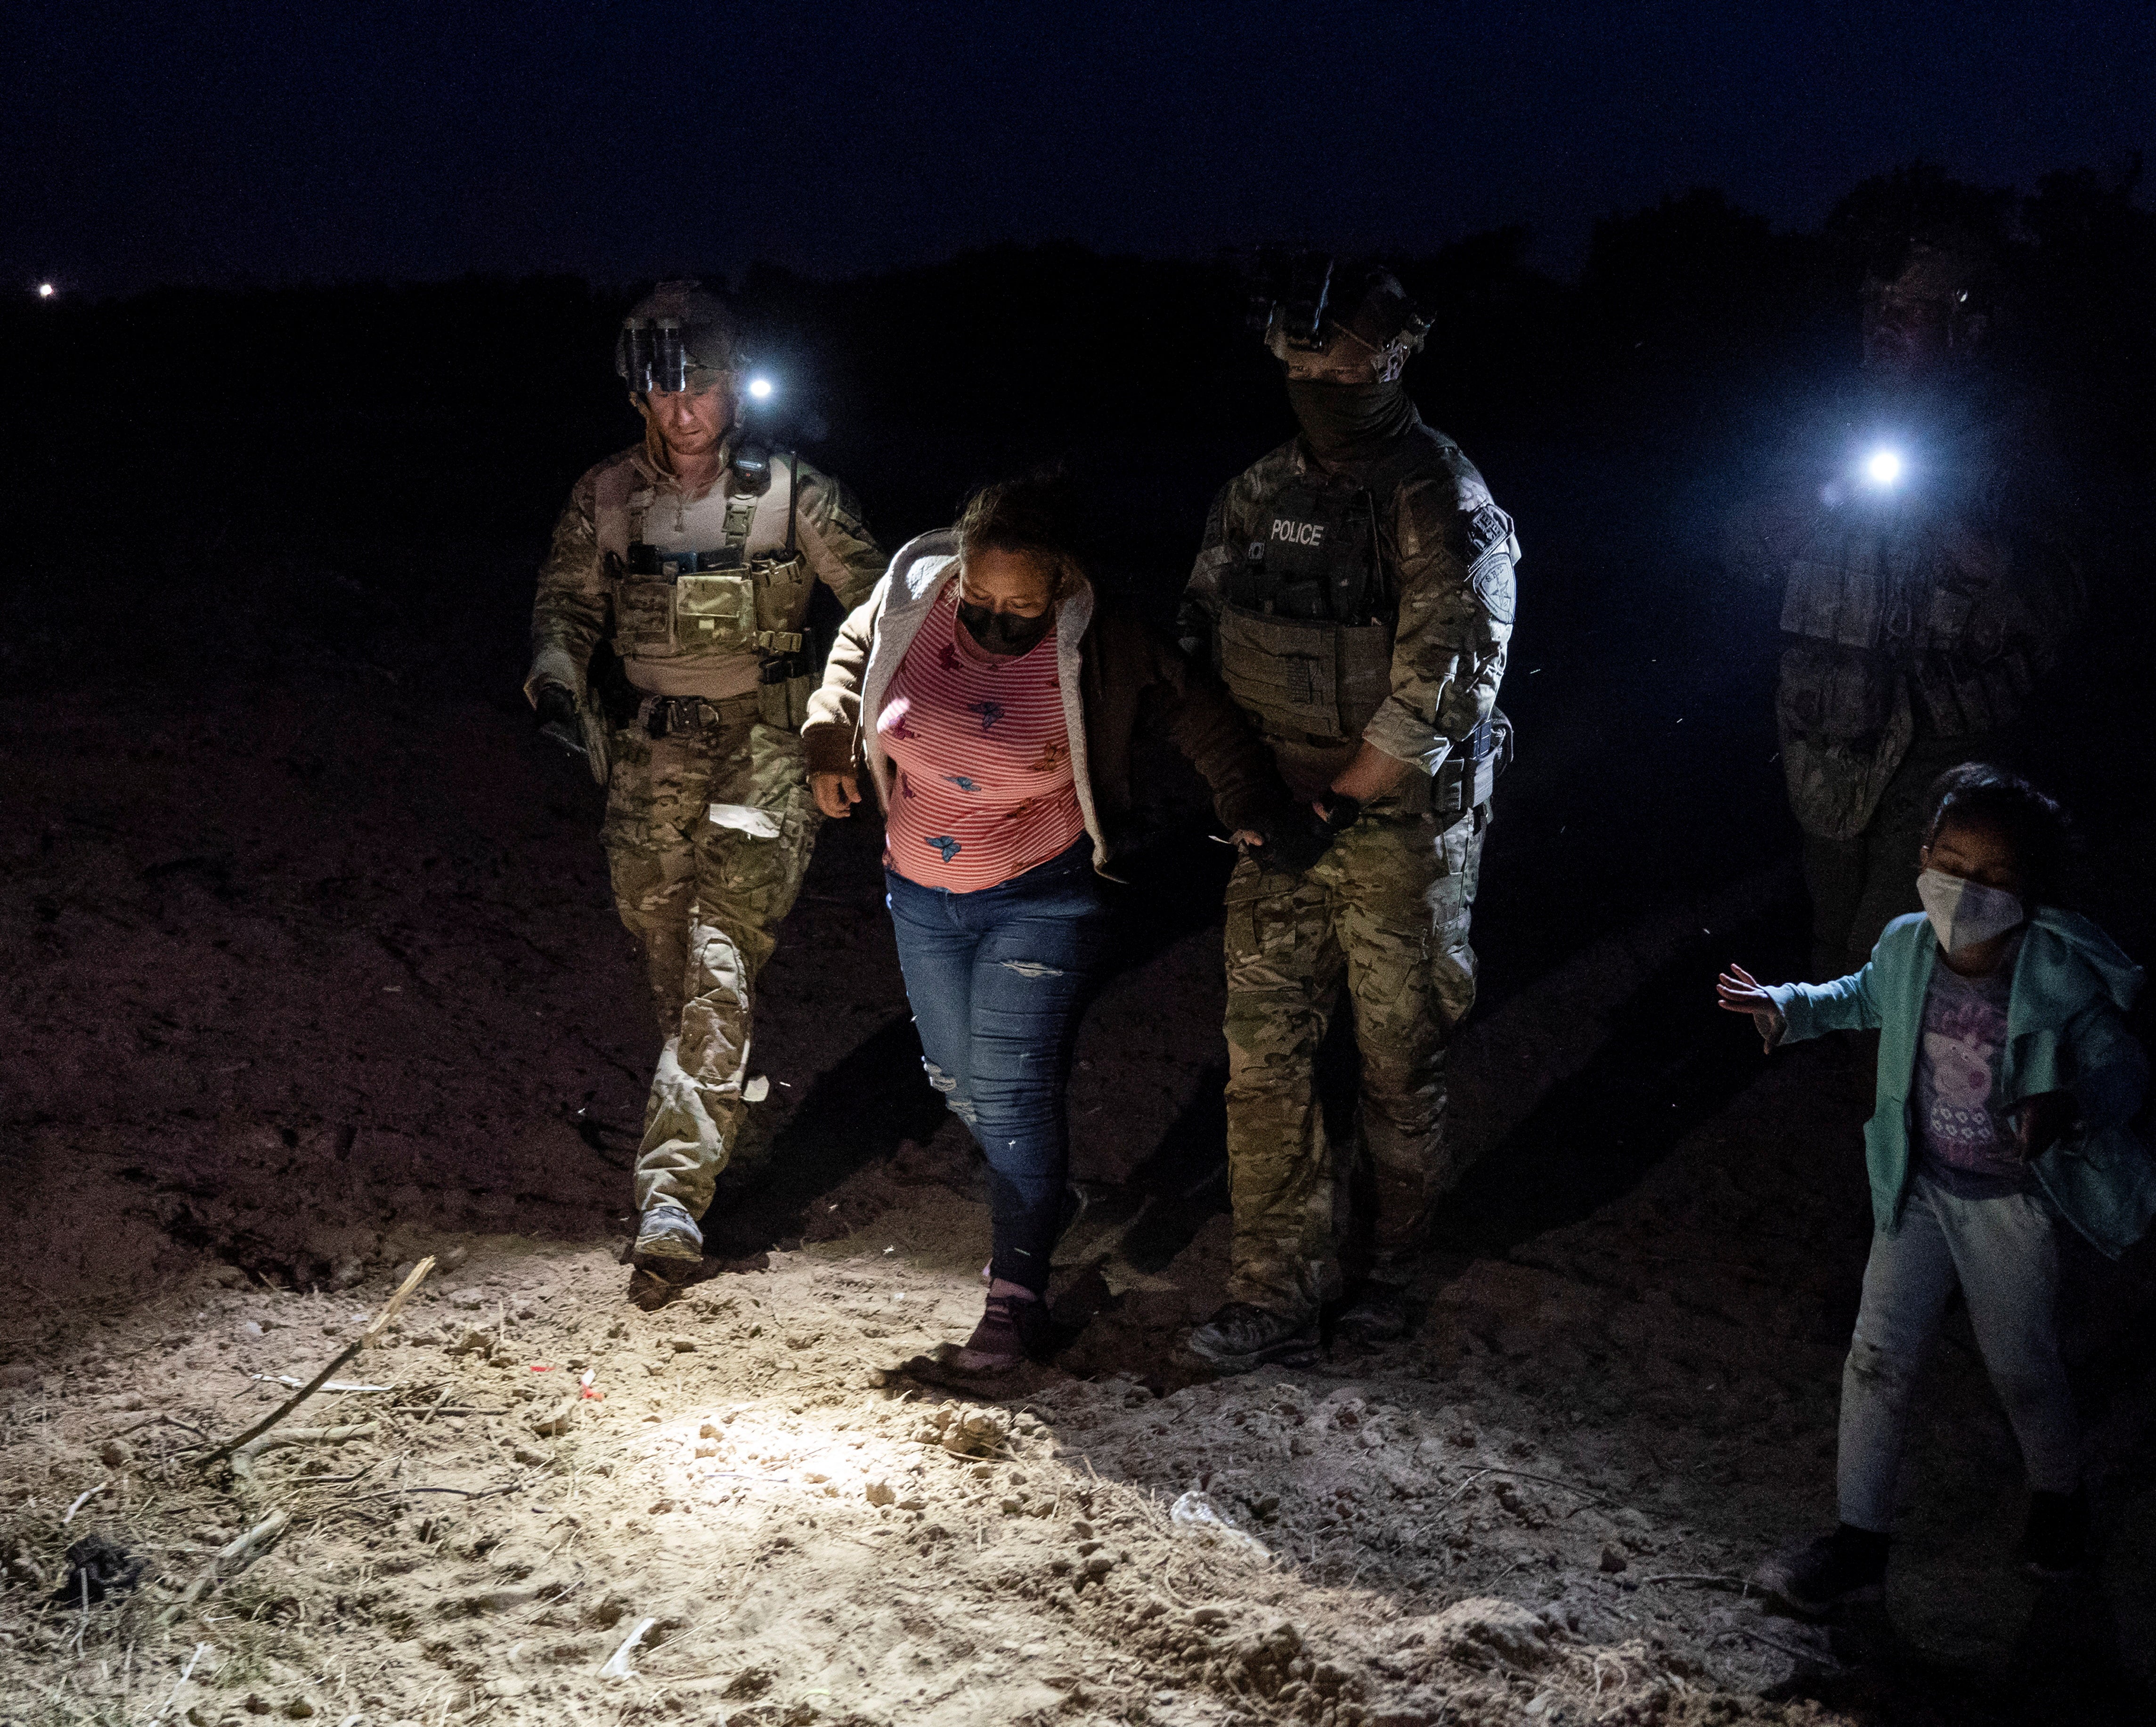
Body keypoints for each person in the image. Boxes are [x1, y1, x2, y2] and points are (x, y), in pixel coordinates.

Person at [803, 475, 1282, 1373]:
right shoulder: (916, 588)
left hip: (1042, 892)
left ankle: (1015, 1301)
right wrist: (828, 734)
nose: (990, 618)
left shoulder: (1103, 636)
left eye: (1017, 606)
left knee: (1015, 1093)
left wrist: (1249, 795)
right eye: (977, 598)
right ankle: (1048, 1205)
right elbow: (853, 646)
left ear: (1063, 584)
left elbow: (1197, 712)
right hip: (919, 888)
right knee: (956, 1079)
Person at [1714, 764, 2156, 1610]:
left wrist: (2071, 1104)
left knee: (2024, 1368)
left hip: (2009, 1207)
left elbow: (2120, 1066)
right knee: (1876, 1360)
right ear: (1923, 856)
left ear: (2030, 887)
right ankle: (1857, 1546)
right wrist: (1787, 1006)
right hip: (1917, 1191)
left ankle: (2059, 1504)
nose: (1967, 889)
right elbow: (1857, 997)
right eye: (1952, 863)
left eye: (1994, 876)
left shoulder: (2054, 973)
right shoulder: (1906, 946)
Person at [1176, 257, 1518, 1371]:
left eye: (1344, 356)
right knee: (1263, 1061)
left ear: (1397, 358)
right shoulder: (1257, 494)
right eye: (1301, 355)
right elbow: (1194, 652)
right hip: (1281, 820)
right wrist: (1245, 792)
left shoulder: (1444, 504)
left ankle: (1395, 1268)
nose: (1320, 373)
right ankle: (1271, 1287)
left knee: (1396, 1066)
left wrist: (1339, 799)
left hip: (1398, 832)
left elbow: (1440, 683)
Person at [525, 280, 889, 1285]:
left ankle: (673, 1198)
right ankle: (731, 1131)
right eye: (664, 392)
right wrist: (556, 682)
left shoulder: (795, 493)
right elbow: (565, 610)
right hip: (647, 753)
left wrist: (846, 719)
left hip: (766, 745)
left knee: (720, 957)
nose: (685, 411)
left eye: (704, 388)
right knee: (667, 957)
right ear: (636, 393)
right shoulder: (606, 495)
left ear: (736, 386)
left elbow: (881, 604)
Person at [1751, 233, 2084, 978]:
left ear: (1967, 325)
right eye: (1876, 306)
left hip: (1945, 734)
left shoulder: (2012, 435)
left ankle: (1905, 1076)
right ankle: (1849, 1060)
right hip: (1827, 728)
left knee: (1897, 945)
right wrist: (1796, 507)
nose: (1884, 324)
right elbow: (1739, 549)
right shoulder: (1819, 421)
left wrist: (1970, 540)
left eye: (1911, 309)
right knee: (1833, 926)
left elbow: (2060, 592)